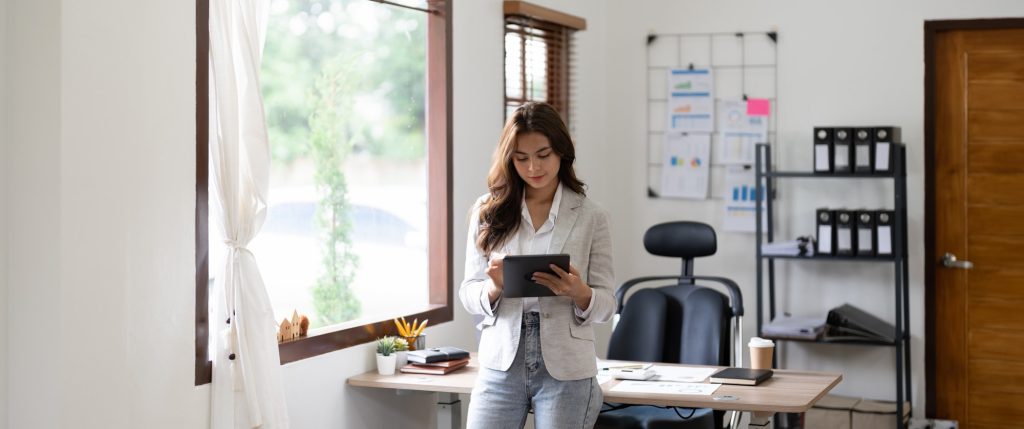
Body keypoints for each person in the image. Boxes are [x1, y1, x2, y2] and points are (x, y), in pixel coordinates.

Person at [460, 102, 615, 429]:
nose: (533, 167)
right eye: (521, 158)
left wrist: (580, 293)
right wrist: (493, 287)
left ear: (561, 152)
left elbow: (606, 306)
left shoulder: (591, 217)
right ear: (509, 158)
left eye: (543, 155)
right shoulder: (488, 211)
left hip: (567, 367)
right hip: (501, 362)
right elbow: (468, 292)